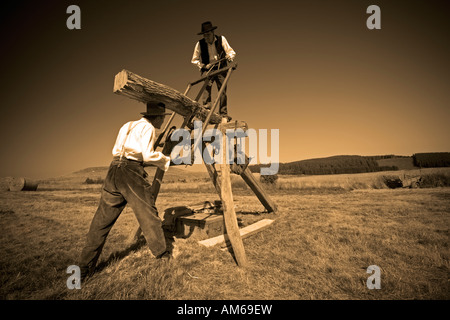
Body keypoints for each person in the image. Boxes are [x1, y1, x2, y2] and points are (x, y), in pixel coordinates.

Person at [78, 102, 173, 280]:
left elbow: (128, 151)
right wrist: (166, 159)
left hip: (114, 169)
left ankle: (82, 270)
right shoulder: (149, 128)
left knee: (101, 221)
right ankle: (163, 256)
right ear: (158, 117)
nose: (162, 122)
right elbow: (146, 155)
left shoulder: (127, 126)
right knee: (148, 213)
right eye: (162, 118)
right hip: (130, 171)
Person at [191, 21, 236, 118]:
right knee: (206, 89)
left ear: (212, 33)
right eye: (204, 35)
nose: (206, 37)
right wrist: (203, 66)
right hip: (208, 69)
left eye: (208, 34)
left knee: (222, 90)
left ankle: (223, 114)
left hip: (221, 67)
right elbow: (194, 60)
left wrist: (229, 56)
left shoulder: (221, 39)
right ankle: (207, 111)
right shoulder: (199, 44)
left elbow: (231, 52)